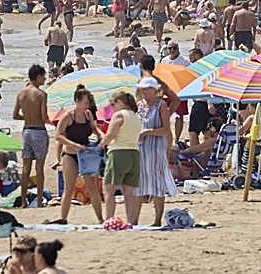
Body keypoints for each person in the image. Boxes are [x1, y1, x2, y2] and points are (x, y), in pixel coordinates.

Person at [53, 86, 104, 225]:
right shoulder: (68, 116)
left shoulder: (88, 115)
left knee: (92, 187)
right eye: (85, 103)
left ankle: (100, 219)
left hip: (86, 154)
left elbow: (94, 129)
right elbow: (58, 136)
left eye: (88, 103)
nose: (87, 106)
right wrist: (73, 145)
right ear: (77, 101)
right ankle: (63, 218)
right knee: (69, 188)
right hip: (70, 154)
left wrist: (101, 136)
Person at [136, 76, 178, 227]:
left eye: (147, 89)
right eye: (143, 89)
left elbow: (166, 129)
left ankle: (157, 219)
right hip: (141, 148)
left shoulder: (161, 105)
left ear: (154, 90)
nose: (144, 91)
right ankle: (134, 219)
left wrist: (148, 132)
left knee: (157, 183)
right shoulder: (139, 105)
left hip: (156, 148)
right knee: (140, 182)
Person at [100, 90, 142, 225]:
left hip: (118, 152)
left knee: (108, 189)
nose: (111, 107)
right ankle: (130, 222)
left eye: (112, 104)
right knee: (128, 193)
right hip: (134, 153)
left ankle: (109, 219)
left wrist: (100, 144)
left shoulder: (119, 115)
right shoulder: (135, 116)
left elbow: (111, 135)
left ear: (119, 102)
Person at [13, 64, 50, 209]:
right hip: (39, 131)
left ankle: (23, 201)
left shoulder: (21, 93)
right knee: (39, 168)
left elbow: (15, 115)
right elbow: (43, 117)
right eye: (43, 76)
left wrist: (28, 117)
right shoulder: (41, 94)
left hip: (26, 130)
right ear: (38, 76)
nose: (45, 79)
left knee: (26, 168)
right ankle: (39, 201)